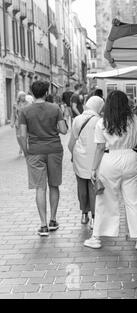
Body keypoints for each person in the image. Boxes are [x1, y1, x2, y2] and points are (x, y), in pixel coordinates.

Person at [84, 90, 137, 250]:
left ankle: (97, 238)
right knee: (134, 201)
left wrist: (93, 169)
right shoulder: (134, 119)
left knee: (105, 200)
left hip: (109, 160)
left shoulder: (102, 122)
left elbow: (99, 148)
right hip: (131, 158)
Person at [18, 81, 68, 236]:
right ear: (47, 93)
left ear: (32, 93)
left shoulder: (25, 111)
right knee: (54, 185)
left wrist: (27, 153)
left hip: (35, 151)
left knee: (40, 188)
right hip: (54, 150)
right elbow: (64, 130)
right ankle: (53, 220)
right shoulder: (55, 108)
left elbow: (22, 135)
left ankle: (43, 225)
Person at [68, 96, 104, 228]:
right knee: (93, 187)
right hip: (95, 159)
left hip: (79, 158)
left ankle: (84, 214)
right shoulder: (100, 121)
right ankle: (95, 217)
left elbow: (71, 142)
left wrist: (73, 155)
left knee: (81, 188)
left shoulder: (77, 119)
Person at [11, 91, 31, 157]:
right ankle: (21, 146)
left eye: (24, 96)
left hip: (25, 122)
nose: (24, 97)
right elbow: (13, 114)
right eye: (22, 96)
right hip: (18, 123)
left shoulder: (28, 104)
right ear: (19, 97)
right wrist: (12, 122)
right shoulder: (15, 104)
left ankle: (24, 148)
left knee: (25, 136)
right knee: (18, 137)